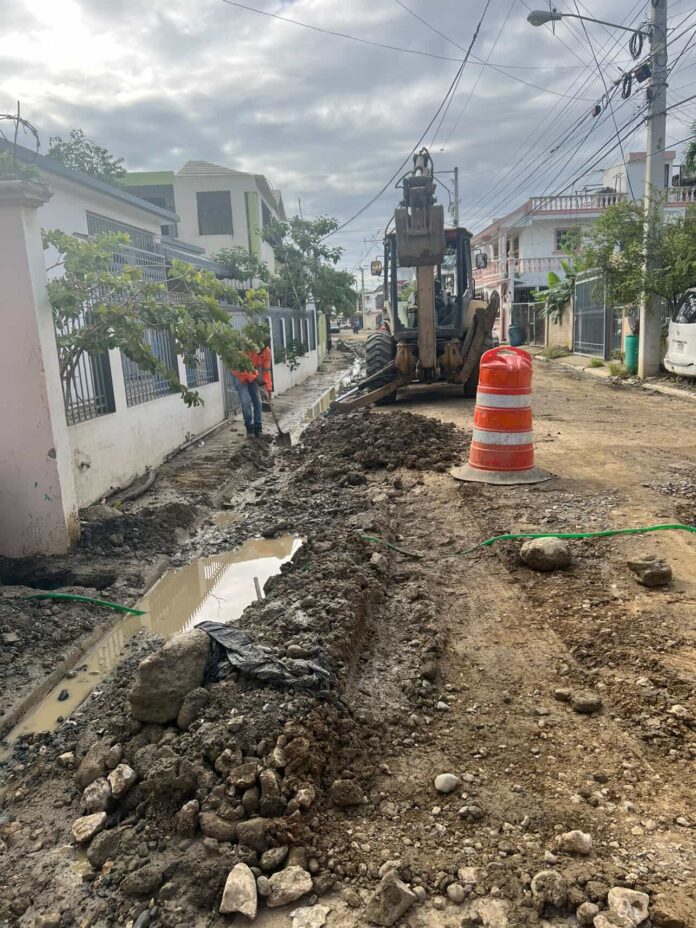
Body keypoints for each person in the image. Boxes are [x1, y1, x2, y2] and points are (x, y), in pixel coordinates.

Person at [231, 336, 272, 437]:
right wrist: (257, 378)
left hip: (253, 373)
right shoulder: (247, 347)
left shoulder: (267, 352)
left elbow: (266, 371)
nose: (260, 351)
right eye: (259, 348)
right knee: (246, 401)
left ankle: (258, 428)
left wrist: (268, 388)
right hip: (239, 373)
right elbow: (245, 367)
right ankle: (250, 429)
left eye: (263, 349)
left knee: (258, 401)